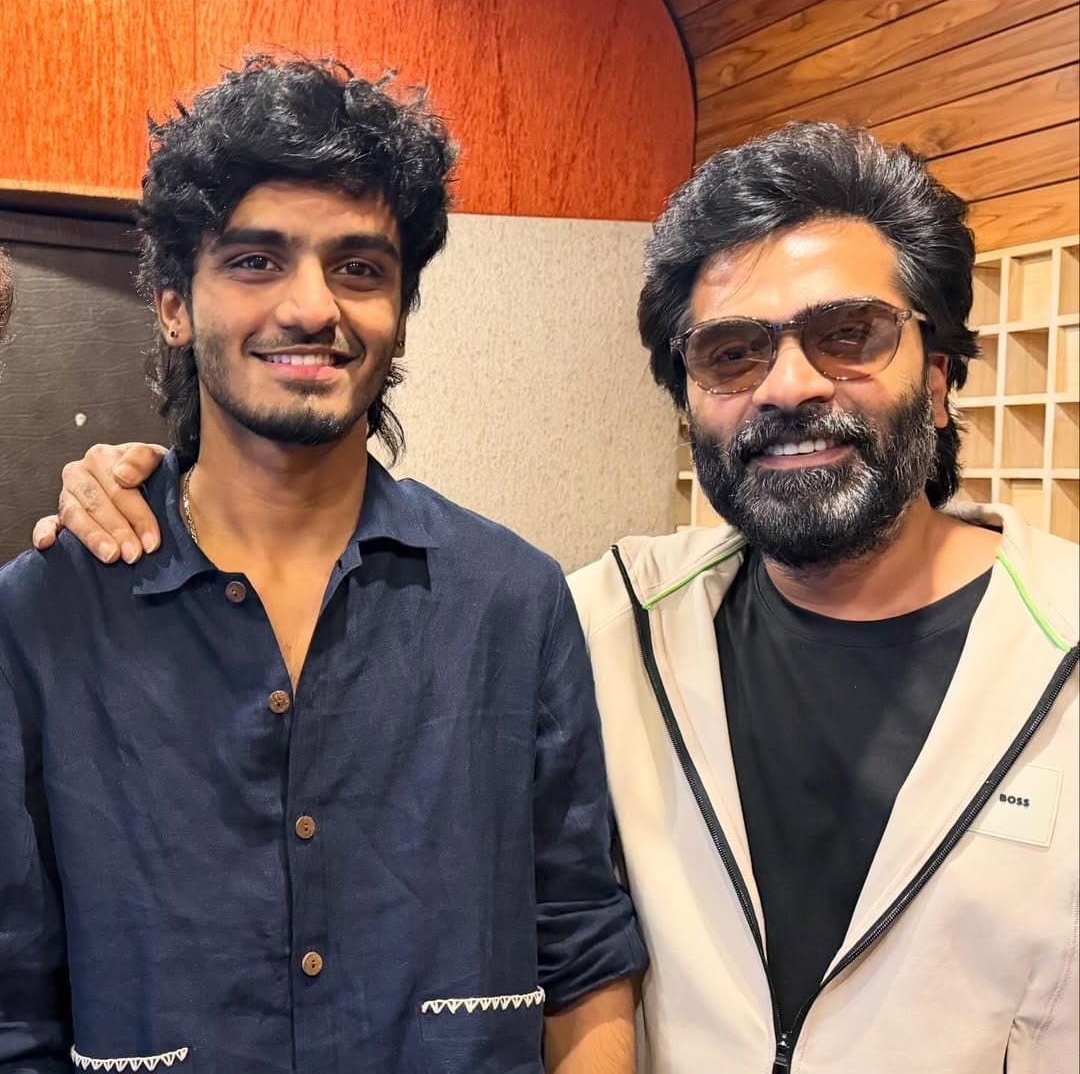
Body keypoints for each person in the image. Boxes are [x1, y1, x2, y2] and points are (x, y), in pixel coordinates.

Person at [36, 124, 1079, 1073]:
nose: (790, 385)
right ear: (688, 404)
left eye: (850, 334)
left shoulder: (1061, 643)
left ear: (939, 374)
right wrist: (136, 486)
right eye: (733, 352)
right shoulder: (604, 620)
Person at [0, 56, 645, 1074]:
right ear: (173, 304)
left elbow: (583, 946)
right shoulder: (44, 618)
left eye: (359, 268)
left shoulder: (513, 604)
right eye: (256, 261)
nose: (312, 307)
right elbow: (16, 1009)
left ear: (400, 311)